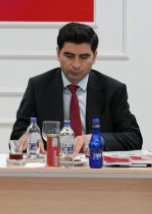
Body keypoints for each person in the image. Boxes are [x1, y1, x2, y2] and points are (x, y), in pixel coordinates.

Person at [10, 23, 142, 153]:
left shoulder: (113, 90)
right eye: (69, 56)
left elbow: (134, 138)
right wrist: (29, 138)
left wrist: (97, 139)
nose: (76, 64)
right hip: (53, 163)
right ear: (58, 53)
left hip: (95, 163)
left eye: (84, 57)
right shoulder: (38, 86)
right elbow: (17, 136)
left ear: (94, 57)